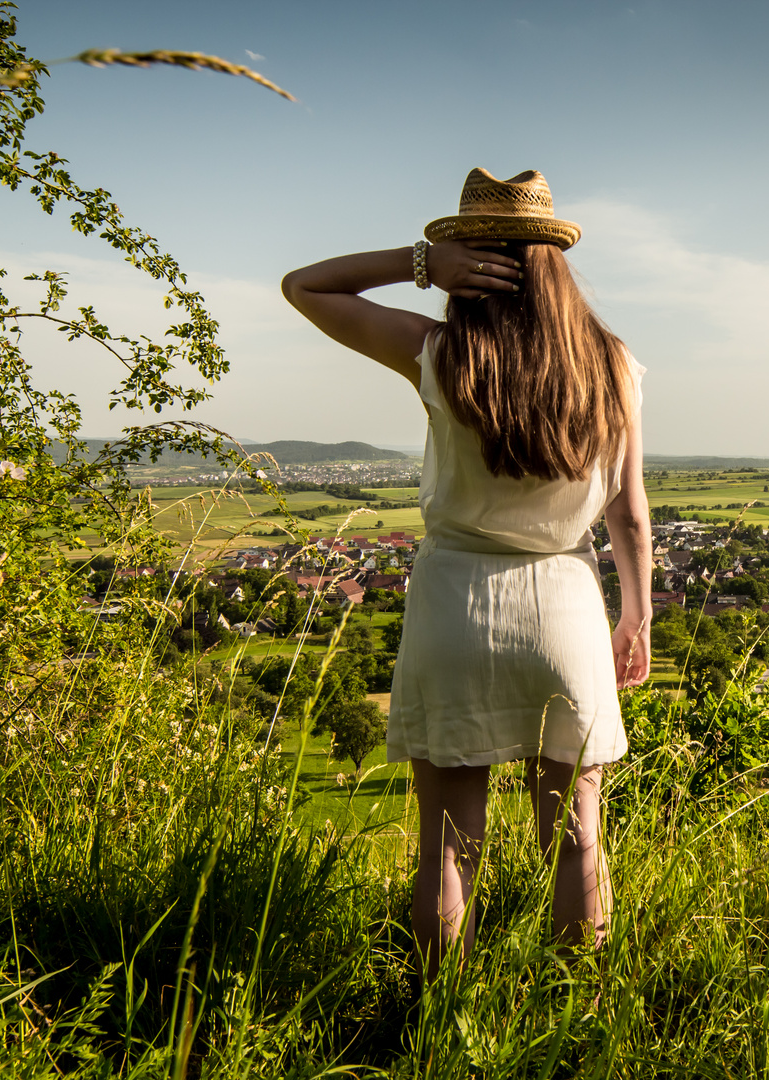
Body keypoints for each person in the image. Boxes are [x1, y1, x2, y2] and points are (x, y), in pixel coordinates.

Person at [282, 168, 651, 977]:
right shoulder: (611, 363)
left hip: (454, 603)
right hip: (565, 605)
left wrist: (421, 262)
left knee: (446, 847)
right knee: (578, 832)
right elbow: (627, 511)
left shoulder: (436, 350)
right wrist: (637, 617)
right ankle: (577, 1016)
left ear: (470, 260)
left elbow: (304, 286)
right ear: (552, 261)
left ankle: (440, 1024)